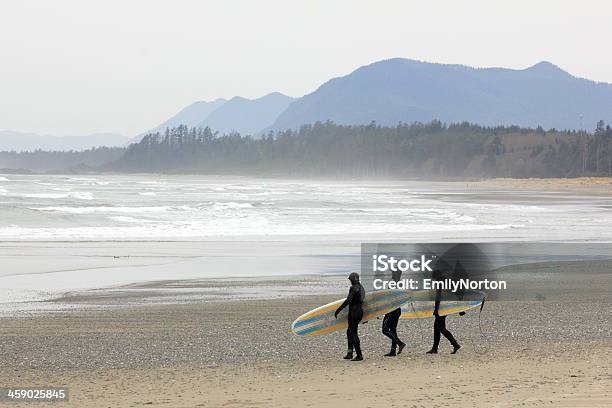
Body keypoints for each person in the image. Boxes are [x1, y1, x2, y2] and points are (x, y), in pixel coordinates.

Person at [427, 270, 461, 354]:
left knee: (441, 328)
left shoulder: (440, 282)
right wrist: (460, 309)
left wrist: (436, 309)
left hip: (441, 309)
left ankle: (455, 344)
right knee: (436, 328)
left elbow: (438, 297)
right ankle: (434, 348)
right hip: (445, 308)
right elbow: (455, 295)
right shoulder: (447, 282)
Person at [334, 272, 365, 361]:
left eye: (350, 279)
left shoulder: (353, 288)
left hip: (354, 313)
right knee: (349, 332)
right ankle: (350, 353)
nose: (350, 281)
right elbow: (363, 301)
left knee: (353, 332)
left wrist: (338, 310)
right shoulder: (361, 287)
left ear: (354, 279)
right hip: (359, 312)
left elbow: (348, 300)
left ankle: (359, 355)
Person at [381, 269, 406, 356]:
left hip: (391, 310)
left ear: (395, 274)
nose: (391, 274)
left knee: (385, 330)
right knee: (393, 330)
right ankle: (393, 351)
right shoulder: (401, 284)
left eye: (393, 273)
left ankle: (400, 343)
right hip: (398, 310)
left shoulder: (393, 284)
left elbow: (388, 298)